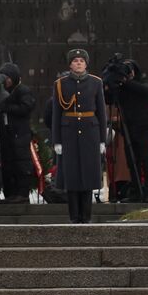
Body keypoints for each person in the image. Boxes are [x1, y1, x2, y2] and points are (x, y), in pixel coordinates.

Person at [50, 49, 107, 223]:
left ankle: (86, 216)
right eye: (75, 61)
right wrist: (57, 140)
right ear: (70, 64)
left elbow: (101, 112)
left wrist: (102, 139)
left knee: (89, 175)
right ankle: (74, 217)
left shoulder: (96, 83)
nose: (79, 63)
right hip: (69, 133)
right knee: (72, 175)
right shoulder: (60, 84)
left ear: (86, 63)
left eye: (82, 60)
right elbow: (56, 114)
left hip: (90, 132)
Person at [116, 61, 148, 200]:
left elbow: (145, 91)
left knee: (147, 161)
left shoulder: (141, 84)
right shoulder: (122, 88)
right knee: (132, 162)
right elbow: (111, 99)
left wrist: (126, 81)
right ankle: (136, 190)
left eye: (130, 70)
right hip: (129, 129)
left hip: (144, 128)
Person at [0, 63, 37, 204]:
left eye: (8, 77)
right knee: (8, 164)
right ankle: (10, 193)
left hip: (20, 133)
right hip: (7, 134)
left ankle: (22, 193)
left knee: (21, 163)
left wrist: (7, 107)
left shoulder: (22, 90)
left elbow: (26, 107)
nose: (6, 81)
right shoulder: (3, 92)